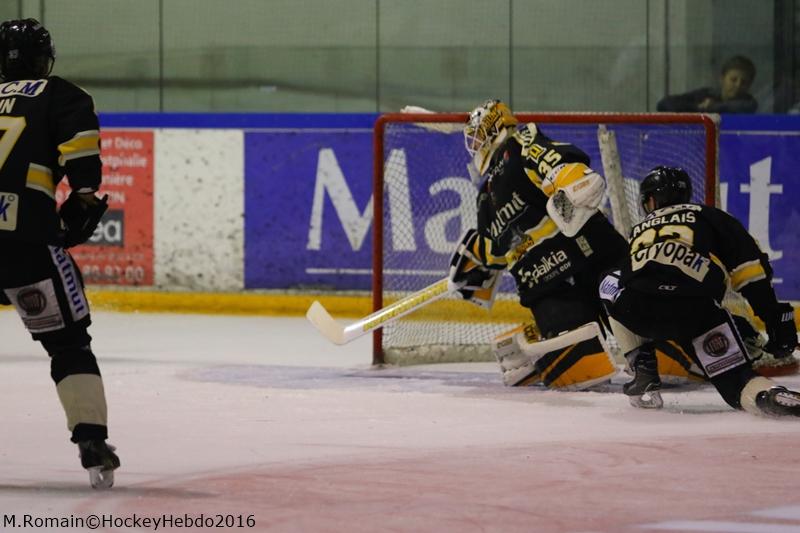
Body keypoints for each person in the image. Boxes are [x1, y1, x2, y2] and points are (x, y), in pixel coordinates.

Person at [0, 19, 120, 487]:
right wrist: (83, 199)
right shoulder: (62, 94)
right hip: (27, 241)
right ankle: (91, 441)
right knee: (69, 345)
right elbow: (83, 164)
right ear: (43, 58)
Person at [448, 99, 629, 390]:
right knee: (576, 368)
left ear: (495, 128)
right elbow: (496, 251)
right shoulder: (485, 197)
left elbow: (557, 163)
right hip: (546, 285)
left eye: (478, 135)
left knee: (646, 321)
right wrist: (472, 265)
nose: (475, 145)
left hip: (587, 254)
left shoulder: (520, 146)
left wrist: (568, 178)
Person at [603, 166, 799, 416]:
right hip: (697, 313)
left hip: (640, 310)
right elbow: (751, 272)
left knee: (608, 280)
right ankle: (766, 395)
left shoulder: (639, 230)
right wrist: (774, 319)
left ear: (650, 201)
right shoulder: (711, 217)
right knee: (738, 383)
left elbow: (627, 276)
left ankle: (641, 364)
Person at [657, 55, 758, 114]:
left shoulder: (749, 104)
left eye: (744, 82)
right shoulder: (706, 94)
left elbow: (735, 108)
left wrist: (711, 107)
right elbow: (665, 104)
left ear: (749, 85)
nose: (738, 85)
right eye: (733, 80)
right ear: (722, 79)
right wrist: (698, 107)